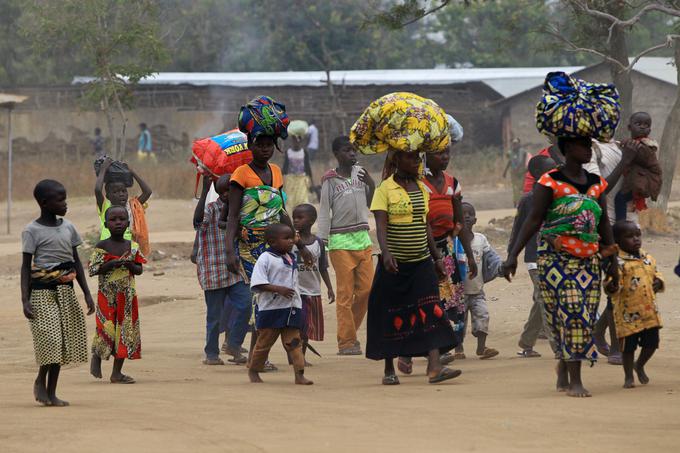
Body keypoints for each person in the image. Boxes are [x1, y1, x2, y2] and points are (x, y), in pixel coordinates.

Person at [504, 136, 616, 398]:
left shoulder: (596, 184)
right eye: (584, 146)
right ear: (568, 149)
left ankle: (565, 368)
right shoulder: (549, 181)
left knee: (583, 317)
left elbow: (603, 225)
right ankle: (575, 380)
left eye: (589, 146)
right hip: (556, 259)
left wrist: (612, 260)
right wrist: (513, 256)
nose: (589, 151)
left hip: (589, 260)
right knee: (570, 313)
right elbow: (532, 221)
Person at [224, 95, 312, 371]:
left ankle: (269, 355)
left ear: (274, 146)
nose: (264, 149)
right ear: (250, 145)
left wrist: (300, 243)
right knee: (260, 297)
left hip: (277, 245)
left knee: (280, 297)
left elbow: (282, 211)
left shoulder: (275, 173)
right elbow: (233, 216)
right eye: (258, 144)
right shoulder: (241, 174)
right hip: (249, 246)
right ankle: (256, 357)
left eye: (268, 145)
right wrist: (229, 251)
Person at [368, 150, 461, 385]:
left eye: (418, 159)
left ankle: (434, 367)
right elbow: (381, 226)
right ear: (396, 160)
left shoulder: (421, 187)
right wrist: (386, 253)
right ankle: (389, 369)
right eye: (410, 158)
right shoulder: (384, 190)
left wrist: (437, 258)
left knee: (431, 309)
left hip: (421, 261)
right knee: (391, 312)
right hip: (395, 264)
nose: (416, 162)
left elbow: (426, 225)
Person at [397, 116, 477, 374]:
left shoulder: (453, 183)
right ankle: (408, 353)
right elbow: (421, 221)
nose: (444, 157)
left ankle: (439, 351)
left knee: (451, 301)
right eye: (439, 153)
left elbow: (459, 222)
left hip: (450, 248)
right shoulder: (419, 184)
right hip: (423, 248)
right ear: (425, 157)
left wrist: (470, 255)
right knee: (424, 300)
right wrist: (434, 254)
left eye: (447, 153)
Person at [21, 180, 95, 406]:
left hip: (66, 290)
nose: (65, 203)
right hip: (42, 292)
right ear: (44, 203)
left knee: (62, 342)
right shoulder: (31, 231)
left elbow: (76, 263)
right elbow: (26, 266)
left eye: (65, 198)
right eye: (60, 199)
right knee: (51, 340)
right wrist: (24, 299)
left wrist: (87, 293)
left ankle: (48, 389)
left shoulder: (69, 227)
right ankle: (45, 388)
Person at [317, 136, 375, 355]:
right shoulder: (329, 179)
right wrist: (322, 244)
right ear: (336, 154)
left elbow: (372, 204)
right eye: (347, 150)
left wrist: (371, 183)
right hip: (340, 242)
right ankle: (347, 342)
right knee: (345, 294)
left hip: (363, 238)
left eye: (354, 150)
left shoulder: (361, 174)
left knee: (367, 290)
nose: (352, 154)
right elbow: (324, 213)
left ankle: (350, 332)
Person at [194, 174, 252, 365]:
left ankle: (233, 344)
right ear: (218, 192)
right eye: (224, 190)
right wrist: (204, 190)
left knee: (245, 304)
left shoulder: (243, 210)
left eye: (232, 190)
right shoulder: (211, 208)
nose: (228, 194)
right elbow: (198, 222)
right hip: (213, 269)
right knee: (215, 315)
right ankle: (211, 353)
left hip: (235, 269)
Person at [247, 223, 313, 385]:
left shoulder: (291, 257)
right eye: (286, 238)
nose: (291, 241)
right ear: (272, 242)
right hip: (271, 310)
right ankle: (254, 370)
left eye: (292, 238)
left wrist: (300, 244)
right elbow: (257, 284)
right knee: (263, 344)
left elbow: (305, 268)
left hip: (291, 309)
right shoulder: (265, 259)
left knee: (295, 343)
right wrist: (278, 289)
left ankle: (299, 374)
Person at [508, 155, 558, 358]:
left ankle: (526, 342)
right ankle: (559, 348)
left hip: (555, 256)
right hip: (534, 258)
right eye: (550, 170)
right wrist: (511, 256)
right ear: (537, 175)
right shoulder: (528, 200)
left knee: (541, 300)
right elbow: (518, 229)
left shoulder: (558, 195)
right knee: (546, 299)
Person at [88, 206, 145, 384]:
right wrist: (110, 265)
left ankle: (116, 373)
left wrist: (129, 265)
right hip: (107, 296)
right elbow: (93, 269)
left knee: (125, 331)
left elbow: (139, 269)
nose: (118, 223)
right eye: (113, 220)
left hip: (127, 297)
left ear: (128, 223)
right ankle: (97, 356)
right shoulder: (102, 246)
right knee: (105, 328)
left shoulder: (132, 247)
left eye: (122, 219)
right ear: (106, 224)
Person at [605, 221, 664, 388]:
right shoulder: (618, 263)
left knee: (652, 343)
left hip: (649, 311)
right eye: (630, 237)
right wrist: (612, 286)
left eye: (638, 235)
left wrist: (659, 282)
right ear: (617, 241)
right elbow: (611, 283)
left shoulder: (648, 258)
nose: (636, 239)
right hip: (627, 314)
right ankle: (628, 375)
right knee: (628, 348)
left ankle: (640, 365)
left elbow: (656, 273)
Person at [454, 202, 502, 360]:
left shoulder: (481, 239)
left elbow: (492, 258)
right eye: (463, 213)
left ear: (475, 220)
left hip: (477, 290)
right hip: (457, 293)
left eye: (470, 214)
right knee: (458, 322)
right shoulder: (452, 241)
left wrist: (501, 268)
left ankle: (481, 348)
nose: (466, 216)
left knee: (483, 317)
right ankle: (458, 349)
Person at [292, 204, 335, 362]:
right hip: (295, 292)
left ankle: (300, 356)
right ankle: (296, 356)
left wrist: (330, 288)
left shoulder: (318, 243)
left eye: (300, 218)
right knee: (298, 326)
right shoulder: (290, 242)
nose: (296, 221)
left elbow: (323, 267)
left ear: (311, 221)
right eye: (294, 217)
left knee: (307, 328)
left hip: (313, 291)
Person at [95, 157, 152, 256]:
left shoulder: (132, 206)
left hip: (127, 248)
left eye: (123, 191)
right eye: (116, 192)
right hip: (108, 249)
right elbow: (97, 190)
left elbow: (148, 192)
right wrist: (103, 169)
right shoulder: (105, 207)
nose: (121, 194)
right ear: (108, 196)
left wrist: (132, 172)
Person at [613, 112, 662, 222]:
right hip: (638, 178)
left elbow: (640, 154)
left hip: (645, 180)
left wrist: (625, 142)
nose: (642, 127)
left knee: (620, 198)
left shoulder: (647, 145)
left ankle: (620, 223)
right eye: (638, 123)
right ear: (629, 127)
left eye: (646, 125)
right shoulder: (637, 143)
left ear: (649, 130)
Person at [283, 123, 314, 209]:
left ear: (301, 141)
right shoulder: (288, 152)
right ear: (291, 141)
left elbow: (308, 168)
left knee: (302, 200)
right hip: (290, 180)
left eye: (298, 140)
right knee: (291, 201)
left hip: (302, 180)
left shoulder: (304, 153)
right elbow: (284, 169)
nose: (296, 142)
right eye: (294, 140)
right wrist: (282, 183)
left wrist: (312, 183)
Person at [503, 138, 528, 206]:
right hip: (513, 172)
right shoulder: (510, 152)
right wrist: (505, 171)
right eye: (513, 143)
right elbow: (509, 161)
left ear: (519, 144)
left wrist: (526, 169)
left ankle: (520, 202)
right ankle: (515, 201)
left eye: (516, 143)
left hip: (521, 172)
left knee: (521, 188)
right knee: (515, 187)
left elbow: (524, 161)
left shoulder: (523, 152)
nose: (515, 145)